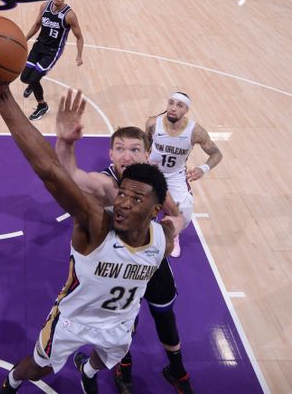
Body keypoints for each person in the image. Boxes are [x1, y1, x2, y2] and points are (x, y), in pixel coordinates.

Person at [0, 85, 174, 394]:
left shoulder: (162, 239)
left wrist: (179, 215)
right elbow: (50, 172)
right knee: (39, 368)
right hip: (74, 319)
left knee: (105, 360)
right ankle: (12, 380)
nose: (124, 202)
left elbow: (172, 223)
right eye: (123, 193)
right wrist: (2, 97)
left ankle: (86, 370)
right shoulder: (96, 223)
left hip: (119, 324)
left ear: (155, 209)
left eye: (136, 199)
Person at [55, 89, 193, 393]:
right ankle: (123, 367)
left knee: (165, 318)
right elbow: (70, 175)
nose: (127, 156)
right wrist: (65, 143)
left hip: (148, 260)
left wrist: (178, 224)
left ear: (147, 155)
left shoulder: (151, 179)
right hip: (111, 265)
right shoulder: (105, 184)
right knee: (120, 325)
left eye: (134, 150)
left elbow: (175, 211)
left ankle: (179, 373)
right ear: (110, 155)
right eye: (119, 149)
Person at [146, 92, 222, 257]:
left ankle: (173, 235)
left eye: (179, 105)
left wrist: (203, 168)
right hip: (151, 171)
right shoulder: (153, 123)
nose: (173, 108)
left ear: (186, 110)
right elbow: (146, 142)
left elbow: (217, 154)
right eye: (171, 103)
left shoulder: (195, 131)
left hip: (175, 175)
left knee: (185, 211)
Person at [20, 0, 84, 121]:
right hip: (38, 46)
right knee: (24, 78)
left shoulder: (69, 15)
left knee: (34, 78)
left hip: (52, 52)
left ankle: (42, 106)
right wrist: (24, 39)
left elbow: (79, 37)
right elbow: (37, 25)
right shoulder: (44, 6)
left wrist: (79, 55)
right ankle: (33, 84)